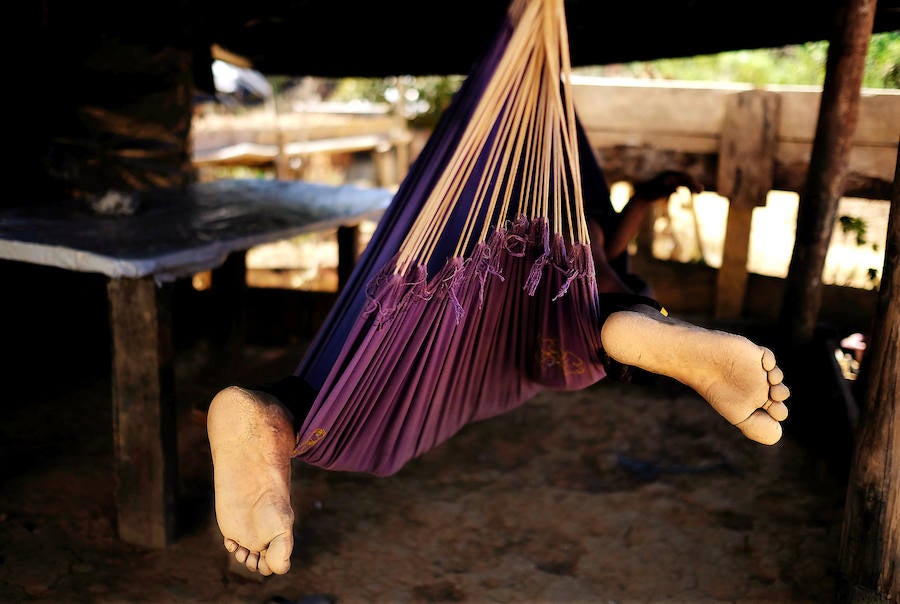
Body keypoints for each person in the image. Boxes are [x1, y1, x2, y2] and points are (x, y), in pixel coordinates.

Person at [206, 170, 791, 576]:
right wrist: (644, 200)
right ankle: (629, 327)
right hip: (557, 302)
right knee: (608, 305)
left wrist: (642, 196)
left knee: (370, 373)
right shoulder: (573, 184)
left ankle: (277, 412)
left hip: (479, 283)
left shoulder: (496, 172)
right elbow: (609, 242)